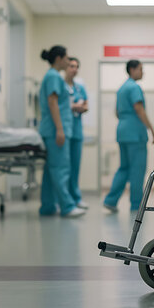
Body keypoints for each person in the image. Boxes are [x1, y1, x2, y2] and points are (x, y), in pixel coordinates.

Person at [104, 60, 154, 212]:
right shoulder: (134, 87)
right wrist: (152, 130)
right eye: (141, 69)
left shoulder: (122, 88)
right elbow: (139, 108)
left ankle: (110, 200)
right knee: (137, 170)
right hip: (135, 133)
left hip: (122, 131)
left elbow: (116, 112)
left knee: (124, 168)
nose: (142, 72)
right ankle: (136, 205)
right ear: (132, 70)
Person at [38, 45, 85, 218]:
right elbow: (53, 102)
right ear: (59, 59)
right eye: (66, 58)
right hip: (55, 129)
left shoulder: (52, 76)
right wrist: (59, 129)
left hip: (52, 129)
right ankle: (67, 206)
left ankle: (48, 206)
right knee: (61, 168)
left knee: (51, 171)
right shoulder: (53, 76)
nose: (68, 61)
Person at [64, 57, 89, 210]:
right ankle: (64, 199)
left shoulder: (80, 88)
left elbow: (86, 106)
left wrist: (77, 107)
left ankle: (75, 199)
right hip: (65, 131)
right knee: (64, 168)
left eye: (77, 66)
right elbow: (61, 105)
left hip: (77, 132)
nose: (74, 69)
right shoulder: (60, 85)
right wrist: (74, 106)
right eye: (72, 66)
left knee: (75, 167)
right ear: (66, 68)